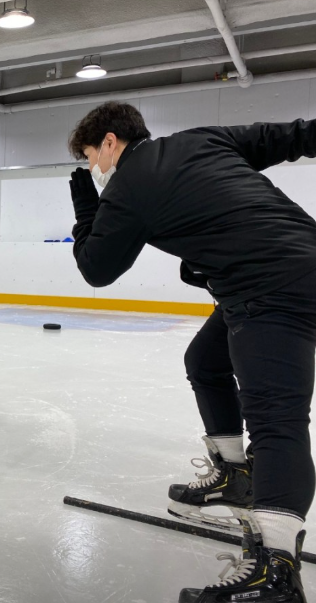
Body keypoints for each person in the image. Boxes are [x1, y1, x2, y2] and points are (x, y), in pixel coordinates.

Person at [67, 101, 316, 603]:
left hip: (267, 291)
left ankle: (275, 573)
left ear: (111, 142)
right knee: (205, 362)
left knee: (275, 419)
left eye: (93, 156)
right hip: (293, 264)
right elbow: (291, 135)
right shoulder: (201, 139)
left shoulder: (127, 190)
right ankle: (235, 475)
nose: (95, 169)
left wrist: (85, 212)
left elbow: (95, 269)